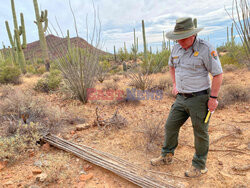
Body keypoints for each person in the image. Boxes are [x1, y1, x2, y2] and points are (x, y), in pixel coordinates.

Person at [150, 17, 223, 178]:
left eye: (183, 38)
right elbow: (171, 66)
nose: (180, 42)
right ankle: (167, 155)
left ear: (193, 35)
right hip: (181, 98)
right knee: (170, 126)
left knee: (200, 132)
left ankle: (199, 166)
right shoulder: (176, 49)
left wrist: (213, 98)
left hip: (200, 98)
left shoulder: (206, 48)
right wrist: (175, 84)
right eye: (177, 39)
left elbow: (218, 74)